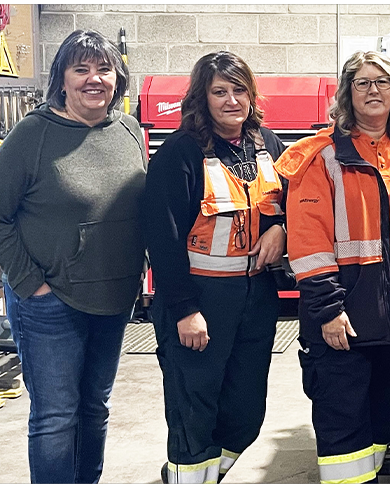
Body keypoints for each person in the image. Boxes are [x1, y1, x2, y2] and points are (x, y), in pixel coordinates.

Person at [0, 29, 145, 484]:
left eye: (104, 69)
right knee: (55, 416)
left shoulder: (128, 129)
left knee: (95, 407)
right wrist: (33, 284)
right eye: (81, 69)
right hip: (51, 302)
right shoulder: (33, 134)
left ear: (118, 76)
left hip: (113, 296)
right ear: (62, 79)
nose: (95, 79)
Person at [274, 51, 390, 484]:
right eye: (362, 83)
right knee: (344, 424)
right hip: (341, 313)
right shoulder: (322, 156)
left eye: (382, 82)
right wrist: (326, 309)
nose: (373, 90)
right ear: (347, 93)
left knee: (381, 419)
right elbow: (308, 241)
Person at [142, 51, 287, 484]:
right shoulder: (180, 153)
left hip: (256, 298)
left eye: (238, 90)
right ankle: (190, 482)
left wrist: (280, 226)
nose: (230, 100)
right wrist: (185, 310)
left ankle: (195, 479)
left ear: (252, 95)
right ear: (201, 98)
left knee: (246, 412)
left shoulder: (267, 144)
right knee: (194, 411)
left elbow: (291, 201)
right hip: (200, 301)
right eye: (219, 92)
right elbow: (163, 240)